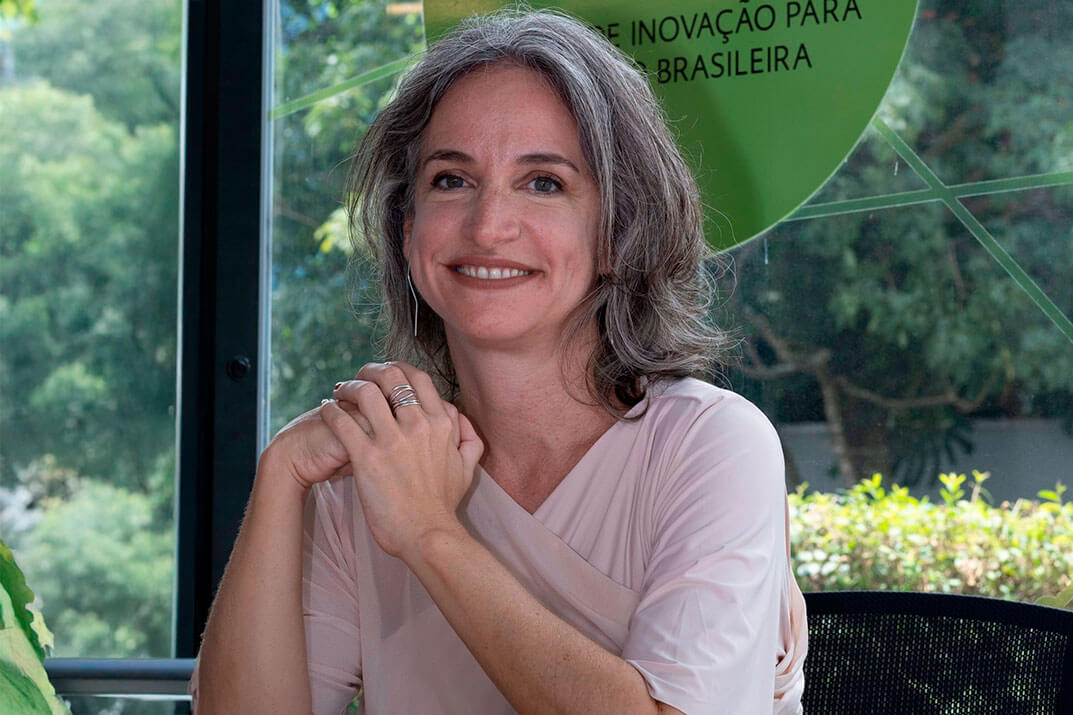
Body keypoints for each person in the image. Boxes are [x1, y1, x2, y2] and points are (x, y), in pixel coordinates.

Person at [191, 8, 806, 714]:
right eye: (451, 180)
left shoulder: (712, 445)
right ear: (408, 229)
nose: (487, 227)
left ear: (618, 233)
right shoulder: (376, 469)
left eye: (543, 182)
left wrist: (430, 533)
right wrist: (280, 476)